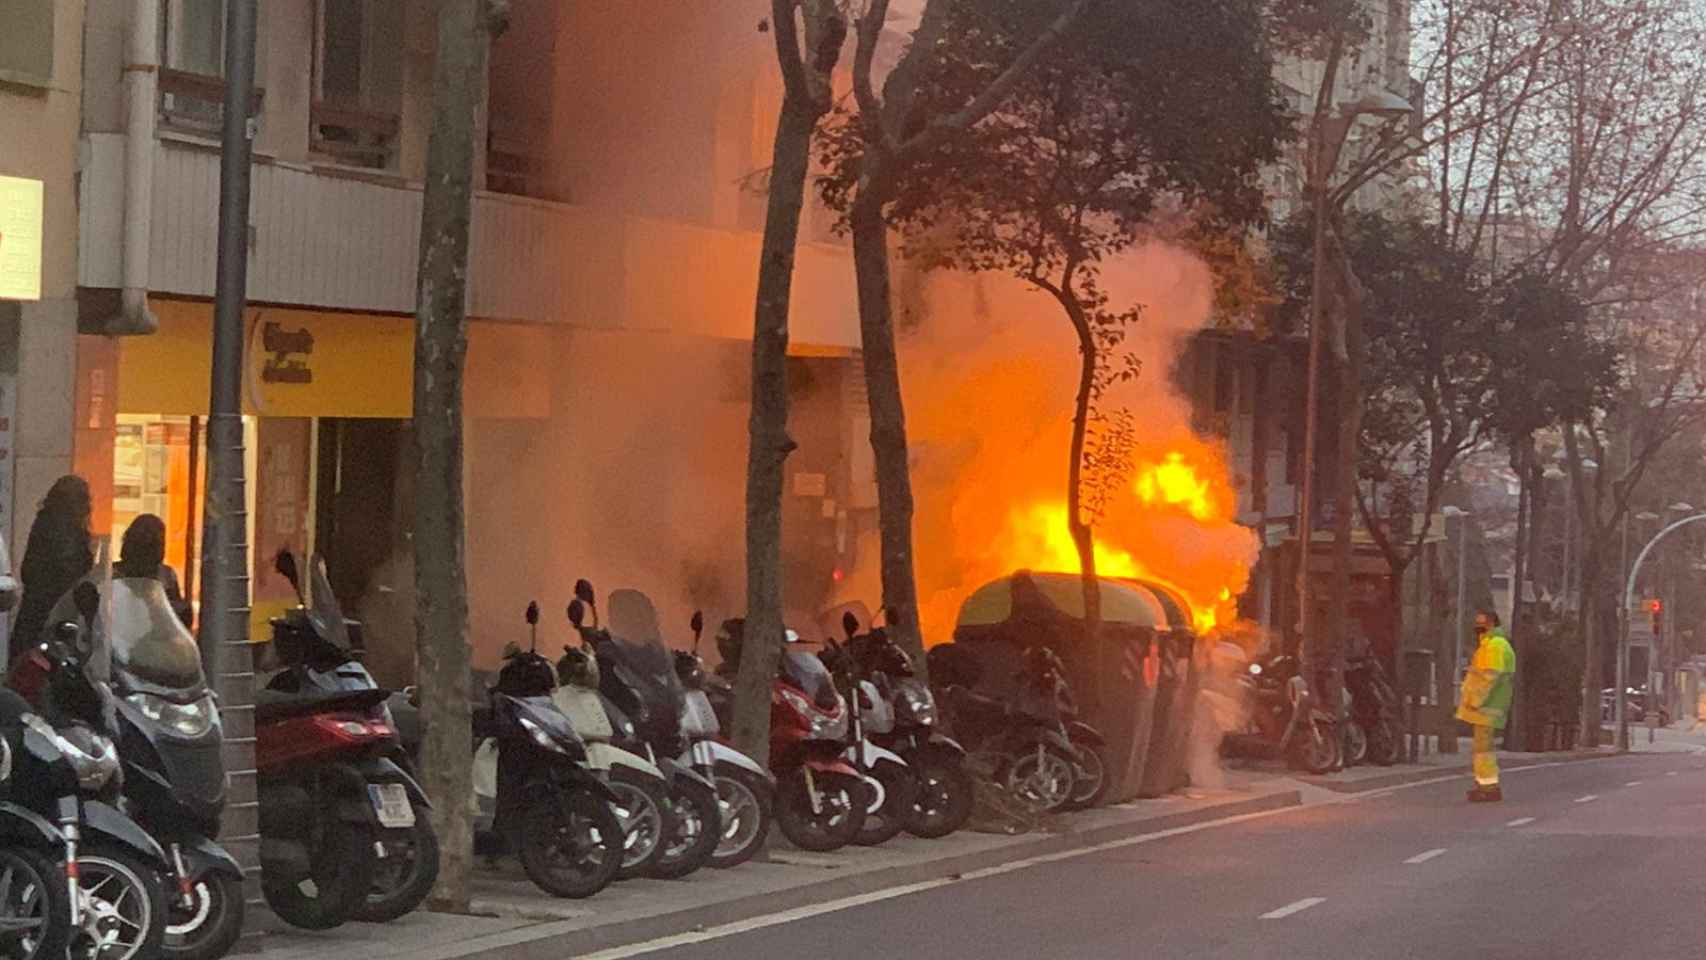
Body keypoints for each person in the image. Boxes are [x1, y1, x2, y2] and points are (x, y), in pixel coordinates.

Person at [10, 475, 94, 666]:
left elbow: (29, 570)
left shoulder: (44, 521)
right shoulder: (69, 530)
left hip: (33, 614)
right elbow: (71, 570)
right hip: (54, 616)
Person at [1456, 609, 1516, 802]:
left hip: (1486, 707)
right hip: (1487, 707)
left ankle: (1488, 787)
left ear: (1491, 624)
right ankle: (1486, 785)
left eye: (1481, 623)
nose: (1477, 627)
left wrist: (1475, 700)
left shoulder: (1495, 645)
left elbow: (1490, 676)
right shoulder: (1491, 644)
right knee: (1483, 749)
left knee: (1483, 750)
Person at [116, 514, 193, 627]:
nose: (147, 543)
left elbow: (178, 612)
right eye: (141, 537)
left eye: (154, 540)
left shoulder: (166, 575)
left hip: (156, 638)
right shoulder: (114, 573)